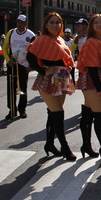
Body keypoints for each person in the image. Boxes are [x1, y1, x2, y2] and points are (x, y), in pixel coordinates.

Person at [26, 12, 76, 161]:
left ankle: (49, 143)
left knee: (53, 114)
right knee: (58, 113)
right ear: (46, 25)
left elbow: (67, 61)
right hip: (49, 79)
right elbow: (30, 57)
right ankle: (65, 147)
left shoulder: (60, 40)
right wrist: (43, 70)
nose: (55, 25)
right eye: (52, 22)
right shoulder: (41, 40)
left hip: (62, 79)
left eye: (58, 22)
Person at [75, 14, 101, 162]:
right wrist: (99, 88)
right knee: (100, 116)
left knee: (88, 114)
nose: (99, 25)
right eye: (96, 23)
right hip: (94, 79)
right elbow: (91, 66)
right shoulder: (91, 41)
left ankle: (86, 145)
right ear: (91, 26)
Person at [2, 14, 36, 119]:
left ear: (26, 23)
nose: (19, 24)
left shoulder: (31, 35)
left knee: (23, 88)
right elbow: (5, 47)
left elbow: (35, 52)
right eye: (18, 22)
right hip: (13, 64)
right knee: (11, 88)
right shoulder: (11, 32)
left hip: (24, 65)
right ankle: (12, 109)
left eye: (22, 22)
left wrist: (31, 66)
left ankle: (22, 109)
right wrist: (8, 60)